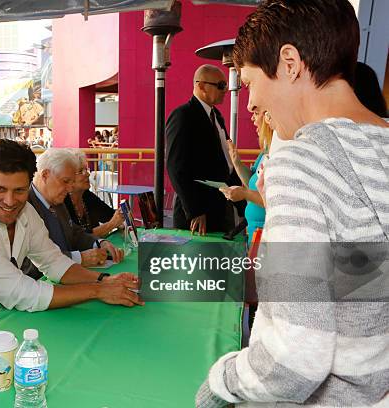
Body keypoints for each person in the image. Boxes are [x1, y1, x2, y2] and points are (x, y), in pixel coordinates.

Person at [196, 1, 389, 407]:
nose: (249, 103)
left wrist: (219, 384)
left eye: (249, 83)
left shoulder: (301, 161)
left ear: (289, 63)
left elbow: (291, 363)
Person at [0, 140, 142, 328]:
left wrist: (105, 280)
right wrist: (98, 290)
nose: (9, 201)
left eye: (19, 191)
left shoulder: (25, 211)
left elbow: (54, 262)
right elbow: (21, 293)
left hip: (4, 322)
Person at [166, 64, 243, 234]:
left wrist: (243, 205)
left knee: (220, 259)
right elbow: (176, 167)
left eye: (226, 86)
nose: (226, 90)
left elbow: (225, 164)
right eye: (221, 85)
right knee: (198, 259)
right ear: (201, 86)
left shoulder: (217, 117)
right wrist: (195, 211)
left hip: (221, 209)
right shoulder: (183, 116)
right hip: (198, 217)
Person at [27, 148, 124, 269]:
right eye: (65, 181)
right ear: (45, 175)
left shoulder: (56, 199)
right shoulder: (24, 205)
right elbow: (31, 261)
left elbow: (74, 233)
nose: (69, 189)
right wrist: (80, 258)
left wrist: (99, 243)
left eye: (71, 182)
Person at [219, 110, 273, 243]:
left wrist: (244, 194)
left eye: (256, 112)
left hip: (267, 236)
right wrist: (236, 162)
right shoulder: (265, 152)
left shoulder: (278, 153)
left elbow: (274, 200)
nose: (252, 118)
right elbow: (252, 182)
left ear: (268, 116)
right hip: (255, 234)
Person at [64, 149, 124, 237]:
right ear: (67, 178)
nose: (87, 174)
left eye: (86, 169)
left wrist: (121, 215)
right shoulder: (63, 203)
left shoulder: (86, 195)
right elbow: (76, 238)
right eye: (81, 171)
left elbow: (109, 214)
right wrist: (111, 224)